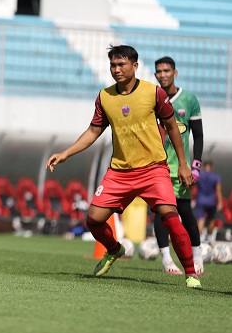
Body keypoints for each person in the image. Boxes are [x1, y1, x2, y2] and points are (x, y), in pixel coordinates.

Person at [46, 45, 201, 289]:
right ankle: (114, 249)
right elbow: (94, 130)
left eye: (121, 64)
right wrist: (66, 153)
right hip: (119, 172)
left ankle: (191, 273)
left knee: (170, 217)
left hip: (154, 169)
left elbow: (173, 127)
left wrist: (183, 164)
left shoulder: (154, 93)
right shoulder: (105, 97)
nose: (116, 69)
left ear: (135, 66)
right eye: (113, 65)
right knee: (94, 220)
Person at [152, 57, 204, 275]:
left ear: (175, 72)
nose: (162, 74)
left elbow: (199, 136)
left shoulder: (189, 100)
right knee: (160, 213)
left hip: (181, 169)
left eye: (166, 70)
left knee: (184, 210)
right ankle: (166, 260)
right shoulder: (152, 98)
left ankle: (198, 255)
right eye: (158, 71)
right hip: (158, 168)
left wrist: (195, 166)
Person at [195, 161, 224, 243]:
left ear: (204, 166)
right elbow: (218, 191)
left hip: (200, 200)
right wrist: (220, 202)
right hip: (211, 201)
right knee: (212, 219)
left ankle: (200, 237)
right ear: (212, 167)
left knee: (200, 219)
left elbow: (194, 187)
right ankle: (210, 236)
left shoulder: (199, 175)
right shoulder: (216, 177)